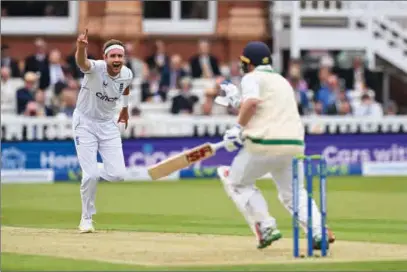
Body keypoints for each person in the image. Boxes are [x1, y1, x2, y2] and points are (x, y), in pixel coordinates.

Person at [215, 41, 336, 250]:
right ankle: (319, 230)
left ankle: (266, 226)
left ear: (249, 63)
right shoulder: (281, 80)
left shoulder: (251, 77)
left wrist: (237, 128)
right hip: (294, 144)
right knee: (294, 193)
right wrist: (237, 101)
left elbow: (252, 103)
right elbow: (263, 106)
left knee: (235, 181)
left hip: (265, 144)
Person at [74, 29, 133, 233]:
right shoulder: (96, 68)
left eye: (120, 56)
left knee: (118, 175)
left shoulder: (126, 73)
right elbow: (83, 63)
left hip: (108, 124)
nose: (117, 59)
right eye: (113, 56)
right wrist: (81, 48)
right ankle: (86, 218)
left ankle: (92, 168)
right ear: (105, 57)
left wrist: (124, 109)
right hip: (85, 121)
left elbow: (125, 88)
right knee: (89, 177)